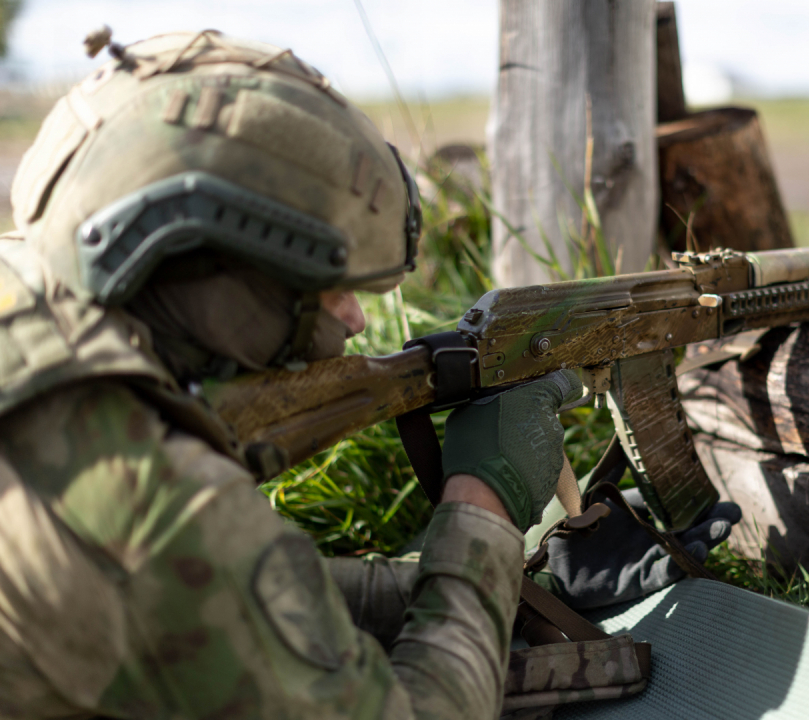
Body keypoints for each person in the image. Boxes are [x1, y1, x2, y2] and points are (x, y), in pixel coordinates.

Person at [0, 29, 737, 719]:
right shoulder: (149, 503)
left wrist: (503, 584)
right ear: (214, 279)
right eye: (325, 289)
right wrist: (483, 506)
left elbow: (233, 603)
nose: (355, 321)